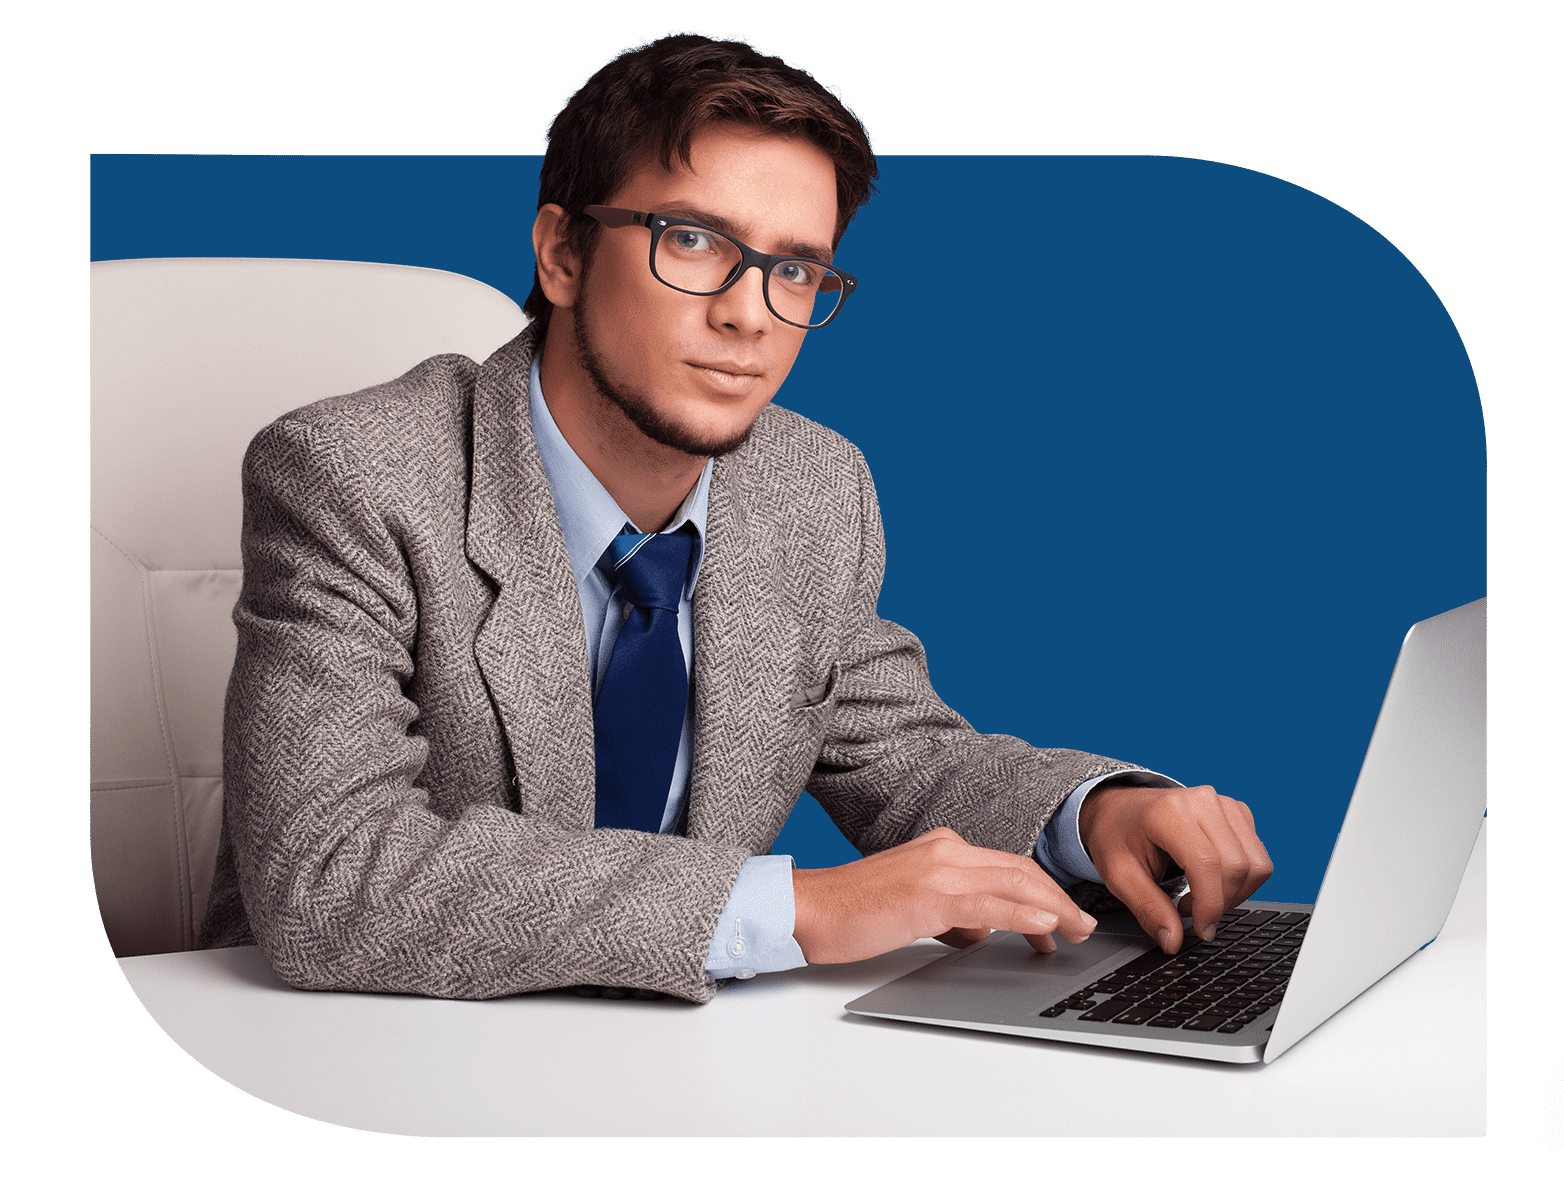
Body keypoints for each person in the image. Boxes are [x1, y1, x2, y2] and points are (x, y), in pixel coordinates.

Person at [199, 34, 1272, 1002]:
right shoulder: (355, 476)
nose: (748, 315)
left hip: (679, 1074)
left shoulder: (814, 487)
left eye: (793, 269)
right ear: (562, 253)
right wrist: (799, 909)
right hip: (368, 1056)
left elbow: (899, 757)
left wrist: (1095, 816)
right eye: (694, 241)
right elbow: (328, 874)